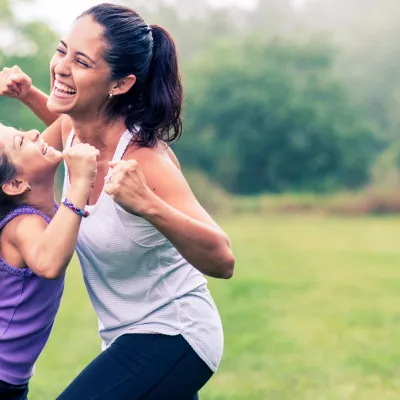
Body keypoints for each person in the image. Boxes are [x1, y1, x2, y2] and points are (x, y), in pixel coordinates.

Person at [0, 3, 235, 399]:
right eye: (61, 51)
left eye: (81, 61)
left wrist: (147, 204)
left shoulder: (145, 161)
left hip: (173, 333)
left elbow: (222, 259)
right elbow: (37, 150)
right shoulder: (73, 130)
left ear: (120, 84)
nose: (60, 66)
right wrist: (31, 96)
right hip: (124, 335)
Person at [0, 123, 99, 400]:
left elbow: (67, 120)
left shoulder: (36, 208)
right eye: (21, 141)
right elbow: (49, 264)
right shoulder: (22, 225)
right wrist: (80, 183)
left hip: (11, 379)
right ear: (16, 184)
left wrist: (29, 92)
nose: (35, 133)